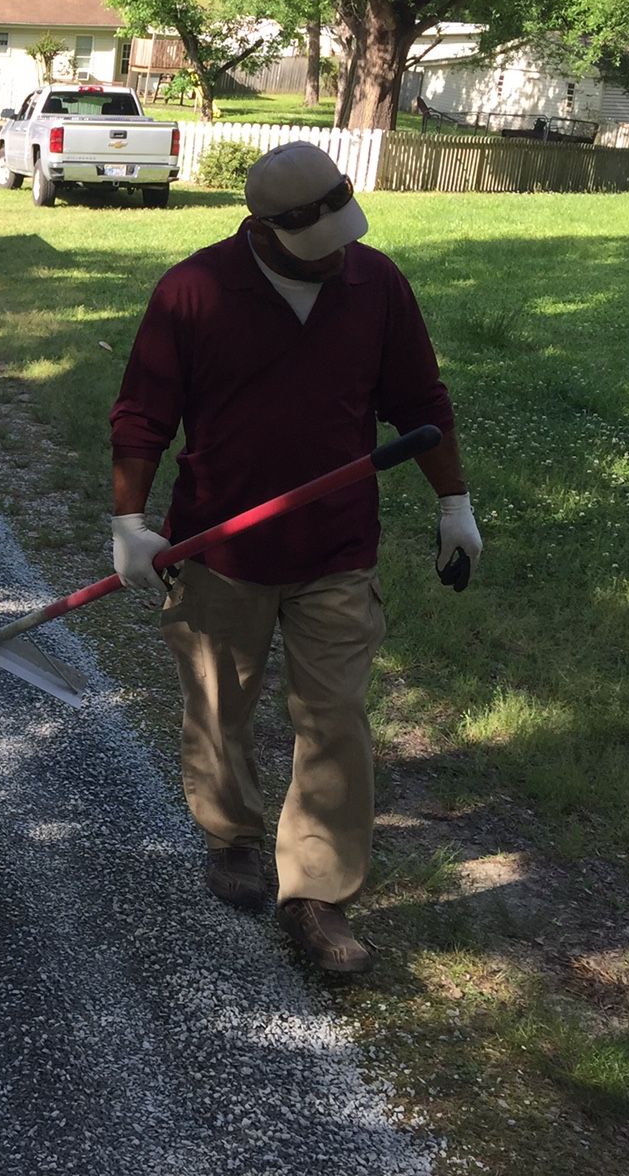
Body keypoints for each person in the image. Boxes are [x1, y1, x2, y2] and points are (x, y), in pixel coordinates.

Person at [108, 142, 481, 974]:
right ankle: (231, 834)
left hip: (338, 545)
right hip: (219, 546)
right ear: (265, 228)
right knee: (218, 705)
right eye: (319, 238)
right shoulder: (194, 291)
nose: (338, 253)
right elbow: (141, 415)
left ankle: (317, 893)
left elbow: (420, 401)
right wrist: (129, 522)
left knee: (335, 715)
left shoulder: (374, 284)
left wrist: (455, 504)